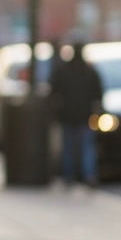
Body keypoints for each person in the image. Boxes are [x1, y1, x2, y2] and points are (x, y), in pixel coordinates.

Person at [49, 42, 104, 186]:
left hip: (67, 115)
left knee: (69, 147)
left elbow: (53, 91)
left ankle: (70, 176)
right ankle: (88, 175)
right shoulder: (89, 71)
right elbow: (99, 93)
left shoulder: (63, 70)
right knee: (86, 147)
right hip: (85, 115)